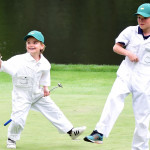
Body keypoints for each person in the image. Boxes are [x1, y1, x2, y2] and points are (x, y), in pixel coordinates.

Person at [0, 30, 86, 149]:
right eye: (28, 42)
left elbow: (45, 75)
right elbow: (4, 66)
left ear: (42, 46)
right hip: (21, 96)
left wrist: (45, 88)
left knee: (54, 111)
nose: (31, 45)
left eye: (35, 42)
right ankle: (11, 139)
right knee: (18, 119)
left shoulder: (45, 63)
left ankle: (71, 132)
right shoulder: (18, 60)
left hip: (38, 94)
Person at [84, 3, 150, 150]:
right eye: (139, 17)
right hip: (125, 74)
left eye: (145, 18)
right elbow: (116, 47)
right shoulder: (130, 31)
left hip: (145, 80)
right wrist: (129, 53)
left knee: (142, 118)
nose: (141, 20)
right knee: (113, 99)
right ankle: (99, 133)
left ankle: (140, 148)